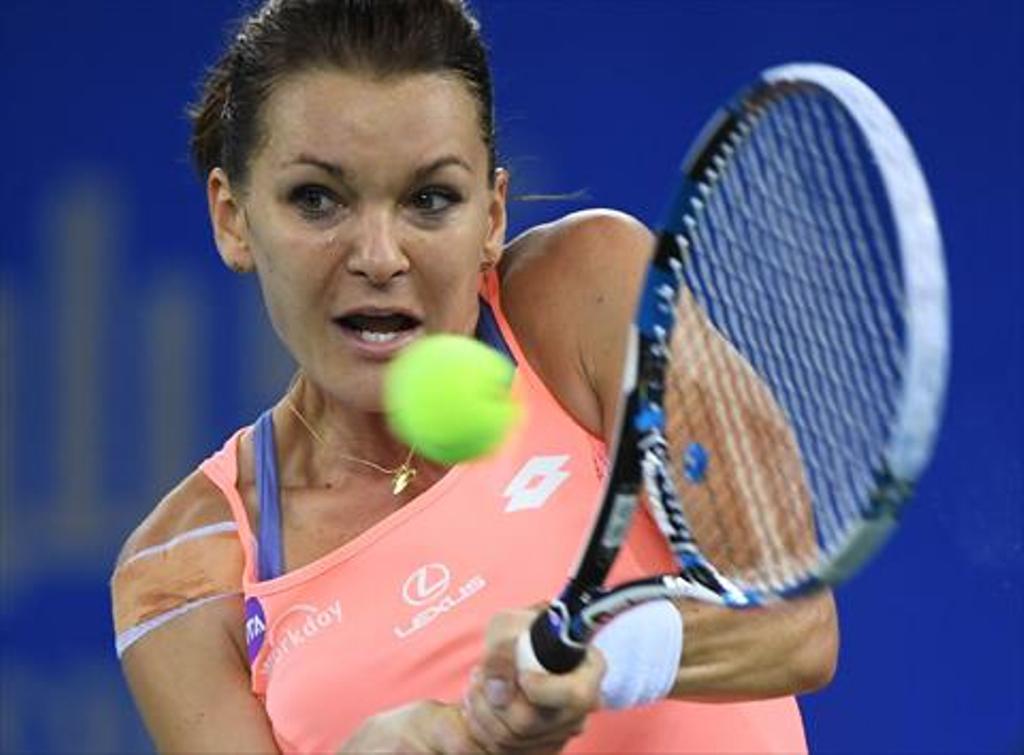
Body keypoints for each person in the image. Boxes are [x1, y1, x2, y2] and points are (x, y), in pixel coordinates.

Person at [110, 0, 839, 752]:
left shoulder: (587, 295)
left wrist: (596, 656)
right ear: (232, 218)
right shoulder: (180, 573)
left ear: (491, 216)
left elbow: (797, 623)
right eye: (317, 200)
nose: (379, 257)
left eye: (430, 199)